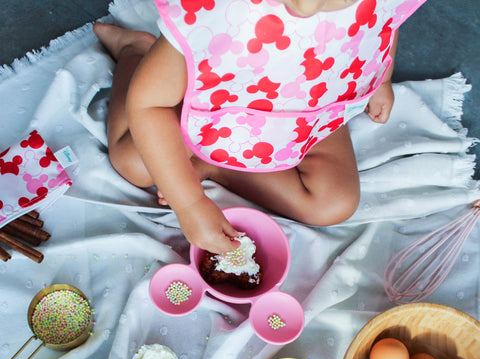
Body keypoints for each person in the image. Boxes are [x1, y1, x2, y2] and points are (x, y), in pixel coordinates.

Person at [93, 0, 427, 253]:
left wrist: (381, 77)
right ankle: (135, 50)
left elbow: (385, 24)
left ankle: (213, 164)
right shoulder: (222, 13)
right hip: (215, 105)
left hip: (305, 111)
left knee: (334, 201)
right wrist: (190, 204)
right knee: (135, 163)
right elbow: (150, 103)